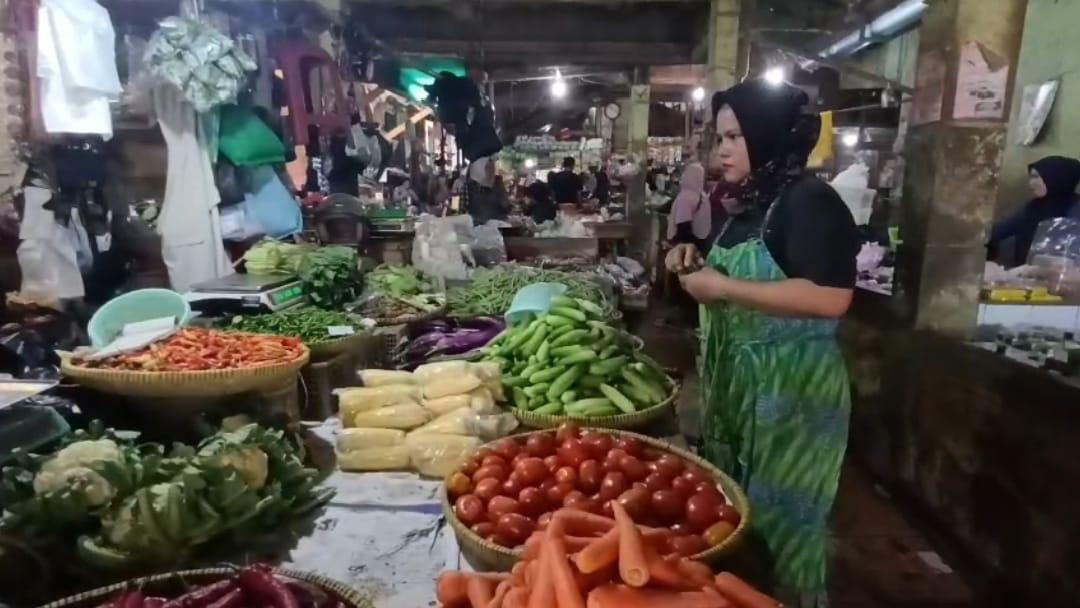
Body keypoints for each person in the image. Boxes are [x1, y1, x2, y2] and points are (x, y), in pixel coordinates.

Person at [666, 79, 858, 605]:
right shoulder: (750, 203)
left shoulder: (811, 202)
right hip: (743, 386)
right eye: (719, 137)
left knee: (782, 528)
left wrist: (723, 286)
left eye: (733, 136)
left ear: (768, 136)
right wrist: (692, 262)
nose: (720, 150)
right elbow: (748, 277)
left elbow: (831, 297)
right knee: (739, 517)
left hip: (792, 393)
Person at [987, 155, 1080, 267]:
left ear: (1056, 177)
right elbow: (996, 232)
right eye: (1030, 178)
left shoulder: (1075, 210)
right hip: (1023, 277)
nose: (1031, 183)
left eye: (1036, 177)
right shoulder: (1032, 208)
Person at [666, 162, 711, 251]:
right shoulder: (702, 194)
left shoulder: (685, 197)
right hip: (702, 241)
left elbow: (683, 224)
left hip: (686, 246)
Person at [465, 157, 509, 225]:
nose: (492, 172)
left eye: (493, 168)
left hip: (497, 226)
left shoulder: (497, 184)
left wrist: (502, 190)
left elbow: (506, 206)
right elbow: (456, 209)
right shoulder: (467, 186)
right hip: (477, 228)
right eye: (488, 168)